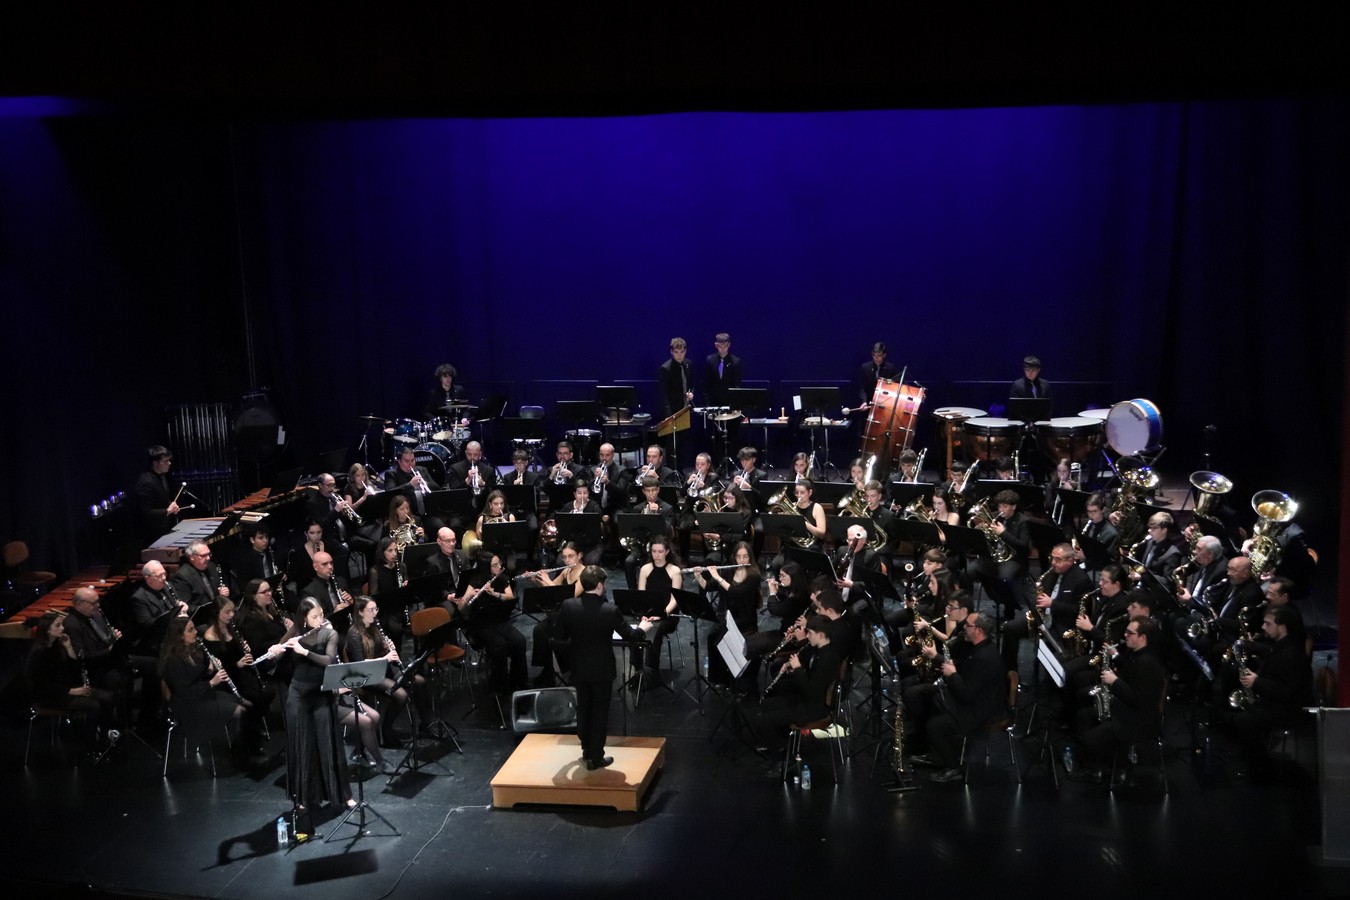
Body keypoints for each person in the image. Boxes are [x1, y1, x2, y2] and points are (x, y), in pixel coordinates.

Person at [554, 565, 654, 770]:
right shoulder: (609, 610)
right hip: (602, 668)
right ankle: (596, 756)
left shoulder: (568, 606)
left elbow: (560, 636)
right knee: (599, 712)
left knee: (583, 707)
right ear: (600, 585)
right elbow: (631, 636)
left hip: (579, 666)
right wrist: (643, 628)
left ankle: (586, 749)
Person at [278, 598, 353, 824]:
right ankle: (302, 799)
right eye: (315, 617)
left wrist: (304, 652)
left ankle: (342, 794)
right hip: (298, 696)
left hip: (321, 695)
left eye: (321, 614)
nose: (320, 620)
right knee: (302, 745)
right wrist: (275, 650)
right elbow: (278, 652)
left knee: (328, 743)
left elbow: (328, 660)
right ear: (304, 619)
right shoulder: (295, 633)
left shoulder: (329, 634)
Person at [907, 611, 1006, 782]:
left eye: (968, 625)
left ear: (979, 630)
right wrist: (942, 661)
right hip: (973, 700)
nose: (964, 628)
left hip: (980, 711)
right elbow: (965, 670)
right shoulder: (979, 648)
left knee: (935, 725)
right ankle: (935, 754)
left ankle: (953, 767)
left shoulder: (985, 658)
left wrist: (952, 675)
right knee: (927, 697)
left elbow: (967, 694)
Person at [1069, 616, 1167, 783]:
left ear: (1142, 637)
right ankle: (1100, 763)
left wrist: (1114, 681)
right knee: (1084, 716)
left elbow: (1137, 700)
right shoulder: (1139, 654)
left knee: (1088, 740)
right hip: (1128, 710)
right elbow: (1130, 670)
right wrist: (1116, 657)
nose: (1125, 635)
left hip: (1137, 721)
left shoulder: (1147, 663)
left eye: (1130, 633)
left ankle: (1099, 767)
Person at [1232, 605, 1313, 781]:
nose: (1263, 627)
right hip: (1279, 702)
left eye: (1268, 624)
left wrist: (1257, 682)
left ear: (1282, 628)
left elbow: (1286, 692)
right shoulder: (1280, 645)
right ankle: (1251, 756)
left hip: (1289, 709)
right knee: (1243, 715)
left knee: (1244, 721)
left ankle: (1262, 770)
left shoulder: (1291, 655)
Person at [158, 616, 249, 765]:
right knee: (239, 711)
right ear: (180, 636)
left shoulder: (191, 650)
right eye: (190, 630)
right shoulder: (173, 661)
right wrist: (212, 682)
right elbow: (185, 691)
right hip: (187, 705)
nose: (195, 632)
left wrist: (209, 670)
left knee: (241, 702)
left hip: (200, 696)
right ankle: (239, 756)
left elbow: (195, 677)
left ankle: (243, 747)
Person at [25, 611, 114, 751]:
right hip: (49, 696)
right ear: (48, 630)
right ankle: (91, 745)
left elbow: (74, 669)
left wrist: (68, 647)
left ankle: (104, 737)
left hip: (66, 689)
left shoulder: (58, 646)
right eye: (58, 625)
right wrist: (72, 691)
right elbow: (42, 684)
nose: (63, 628)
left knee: (108, 697)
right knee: (94, 706)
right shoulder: (39, 653)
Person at [752, 615, 844, 752]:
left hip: (812, 709)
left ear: (820, 635)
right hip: (808, 701)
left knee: (761, 721)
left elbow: (809, 690)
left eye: (810, 633)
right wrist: (794, 669)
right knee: (767, 705)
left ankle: (781, 751)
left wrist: (798, 669)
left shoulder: (826, 659)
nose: (807, 636)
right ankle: (782, 738)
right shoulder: (822, 650)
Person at [199, 595, 272, 762]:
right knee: (252, 700)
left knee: (267, 693)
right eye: (227, 612)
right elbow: (218, 667)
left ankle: (251, 734)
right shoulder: (210, 637)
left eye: (232, 611)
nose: (231, 615)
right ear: (217, 613)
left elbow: (240, 655)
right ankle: (247, 742)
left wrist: (246, 649)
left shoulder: (231, 629)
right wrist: (237, 665)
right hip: (226, 681)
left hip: (241, 676)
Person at [999, 541, 1091, 672]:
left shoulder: (1081, 580)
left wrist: (1053, 604)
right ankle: (1010, 672)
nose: (1053, 562)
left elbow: (1079, 611)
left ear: (1070, 561)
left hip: (1061, 624)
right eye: (1052, 558)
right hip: (1043, 618)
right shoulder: (1051, 573)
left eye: (1058, 559)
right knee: (1010, 628)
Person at [341, 597, 403, 773]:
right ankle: (386, 730)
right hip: (365, 677)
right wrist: (385, 658)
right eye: (371, 610)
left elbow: (381, 652)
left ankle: (383, 732)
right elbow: (360, 664)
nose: (375, 613)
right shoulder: (354, 633)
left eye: (376, 609)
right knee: (400, 694)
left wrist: (389, 650)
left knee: (413, 683)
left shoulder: (375, 628)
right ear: (360, 612)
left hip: (379, 671)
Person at [451, 552, 528, 694]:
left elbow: (510, 597)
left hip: (499, 620)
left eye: (499, 563)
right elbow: (461, 608)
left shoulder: (502, 578)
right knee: (500, 646)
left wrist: (496, 594)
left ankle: (518, 681)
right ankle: (500, 688)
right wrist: (468, 596)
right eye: (494, 565)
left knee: (520, 641)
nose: (499, 567)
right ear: (486, 567)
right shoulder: (475, 581)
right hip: (481, 624)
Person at [695, 541, 760, 688]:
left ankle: (731, 677)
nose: (742, 560)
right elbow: (709, 587)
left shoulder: (754, 576)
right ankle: (717, 678)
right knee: (712, 637)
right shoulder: (729, 571)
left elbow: (736, 593)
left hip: (744, 618)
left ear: (750, 558)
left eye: (745, 557)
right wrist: (699, 577)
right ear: (734, 558)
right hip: (725, 615)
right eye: (739, 557)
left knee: (723, 636)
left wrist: (718, 577)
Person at [527, 542, 586, 685]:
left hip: (578, 618)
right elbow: (551, 591)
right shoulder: (566, 571)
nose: (567, 561)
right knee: (539, 631)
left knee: (551, 630)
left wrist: (547, 579)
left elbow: (570, 596)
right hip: (563, 616)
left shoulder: (585, 573)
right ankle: (546, 671)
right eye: (564, 557)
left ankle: (569, 670)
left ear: (580, 555)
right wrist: (537, 580)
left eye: (571, 556)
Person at [631, 537, 684, 679]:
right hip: (648, 613)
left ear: (667, 552)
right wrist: (644, 614)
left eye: (660, 551)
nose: (657, 555)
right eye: (654, 551)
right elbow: (641, 595)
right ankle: (637, 669)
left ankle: (651, 669)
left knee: (657, 629)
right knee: (634, 629)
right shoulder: (645, 569)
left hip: (668, 615)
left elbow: (675, 600)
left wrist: (661, 614)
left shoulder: (675, 571)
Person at [623, 476, 676, 588]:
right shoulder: (638, 508)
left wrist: (657, 514)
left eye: (653, 490)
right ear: (643, 491)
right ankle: (633, 592)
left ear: (658, 490)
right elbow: (633, 529)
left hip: (660, 547)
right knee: (628, 562)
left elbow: (667, 529)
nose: (651, 494)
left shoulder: (667, 508)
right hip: (641, 545)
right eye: (647, 491)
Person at [134, 445, 182, 545]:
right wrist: (167, 511)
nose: (169, 463)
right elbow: (146, 513)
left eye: (169, 460)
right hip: (152, 536)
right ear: (155, 463)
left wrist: (171, 506)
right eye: (165, 461)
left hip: (164, 530)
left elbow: (160, 500)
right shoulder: (146, 482)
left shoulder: (162, 476)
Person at [704, 332, 743, 449]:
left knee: (731, 436)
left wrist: (736, 405)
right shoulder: (710, 360)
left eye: (725, 345)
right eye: (720, 346)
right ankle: (716, 463)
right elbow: (706, 385)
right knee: (716, 437)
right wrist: (707, 405)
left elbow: (737, 386)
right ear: (716, 345)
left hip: (729, 404)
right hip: (714, 404)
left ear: (729, 345)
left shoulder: (735, 361)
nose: (722, 348)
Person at [170, 538, 229, 613]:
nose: (208, 558)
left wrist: (223, 592)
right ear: (192, 557)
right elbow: (186, 607)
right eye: (203, 555)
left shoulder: (211, 566)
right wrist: (210, 608)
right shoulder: (182, 576)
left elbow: (218, 589)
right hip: (201, 618)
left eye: (209, 554)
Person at [302, 551, 355, 630]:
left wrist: (351, 601)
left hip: (349, 624)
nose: (330, 567)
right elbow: (315, 622)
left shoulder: (341, 581)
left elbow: (356, 605)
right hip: (330, 630)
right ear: (315, 567)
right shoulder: (309, 592)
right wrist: (335, 614)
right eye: (324, 564)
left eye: (331, 563)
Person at [658, 336, 695, 418]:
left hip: (686, 408)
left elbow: (691, 384)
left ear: (685, 351)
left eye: (682, 352)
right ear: (671, 352)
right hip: (673, 410)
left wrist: (691, 393)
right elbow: (664, 395)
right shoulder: (665, 369)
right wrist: (669, 416)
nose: (679, 355)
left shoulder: (688, 364)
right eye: (676, 352)